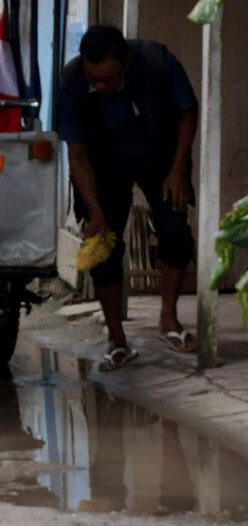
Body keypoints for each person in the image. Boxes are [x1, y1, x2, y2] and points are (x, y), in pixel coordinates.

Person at [60, 25, 199, 372]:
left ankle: (168, 318)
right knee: (104, 249)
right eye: (94, 79)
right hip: (102, 167)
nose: (100, 87)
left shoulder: (157, 62)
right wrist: (95, 212)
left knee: (176, 232)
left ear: (126, 63)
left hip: (160, 159)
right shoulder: (73, 81)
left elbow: (187, 112)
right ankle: (117, 341)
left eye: (108, 79)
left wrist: (178, 170)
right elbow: (77, 155)